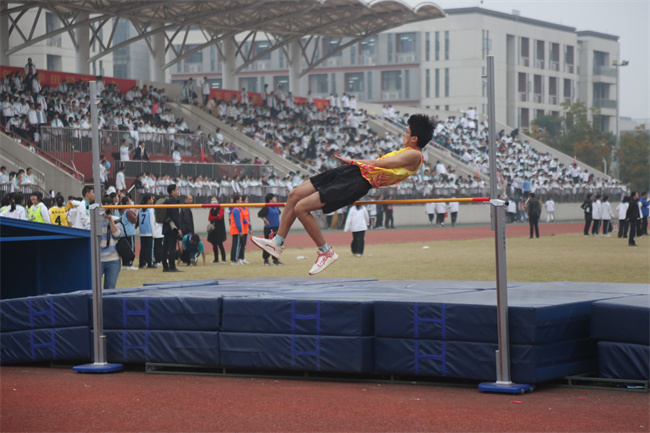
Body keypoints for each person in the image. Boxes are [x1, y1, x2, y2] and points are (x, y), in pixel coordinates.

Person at [252, 114, 435, 275]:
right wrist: (353, 165)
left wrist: (353, 160)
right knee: (294, 195)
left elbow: (379, 164)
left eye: (406, 131)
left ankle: (325, 252)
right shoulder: (408, 151)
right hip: (354, 172)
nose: (403, 133)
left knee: (301, 208)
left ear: (414, 138)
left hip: (358, 181)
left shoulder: (415, 155)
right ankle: (277, 243)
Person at [100, 196, 122, 289]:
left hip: (113, 258)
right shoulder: (93, 219)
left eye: (110, 208)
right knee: (94, 288)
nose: (109, 210)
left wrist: (110, 220)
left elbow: (117, 234)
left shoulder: (116, 219)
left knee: (110, 288)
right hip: (98, 259)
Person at [257, 193, 282, 266]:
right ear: (270, 200)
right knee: (268, 244)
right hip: (269, 228)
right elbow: (260, 214)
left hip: (276, 227)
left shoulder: (276, 206)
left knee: (276, 244)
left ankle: (275, 260)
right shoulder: (267, 207)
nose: (276, 199)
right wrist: (266, 221)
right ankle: (266, 260)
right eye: (274, 198)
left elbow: (279, 213)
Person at [162, 184, 182, 272]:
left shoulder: (167, 200)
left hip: (166, 226)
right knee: (172, 247)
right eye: (177, 190)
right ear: (173, 191)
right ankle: (172, 266)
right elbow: (175, 216)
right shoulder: (172, 201)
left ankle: (165, 266)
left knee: (165, 247)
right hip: (172, 227)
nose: (178, 191)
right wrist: (179, 228)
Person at [119, 196, 138, 270]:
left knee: (125, 249)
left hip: (123, 232)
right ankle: (129, 264)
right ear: (127, 202)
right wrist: (133, 212)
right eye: (130, 201)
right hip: (129, 233)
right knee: (130, 249)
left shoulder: (121, 211)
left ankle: (125, 263)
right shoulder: (128, 211)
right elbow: (134, 220)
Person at [207, 197, 227, 263]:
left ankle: (223, 259)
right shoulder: (211, 210)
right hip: (213, 229)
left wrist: (213, 218)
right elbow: (209, 218)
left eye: (214, 200)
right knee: (214, 244)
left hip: (219, 229)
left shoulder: (221, 209)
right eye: (212, 200)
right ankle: (216, 259)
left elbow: (219, 217)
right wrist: (215, 217)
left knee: (220, 244)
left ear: (218, 201)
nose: (213, 201)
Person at [138, 194, 156, 269]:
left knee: (143, 248)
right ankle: (150, 263)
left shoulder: (140, 209)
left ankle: (141, 263)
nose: (152, 200)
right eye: (151, 199)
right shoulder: (150, 210)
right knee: (150, 249)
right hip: (149, 231)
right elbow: (152, 222)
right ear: (148, 201)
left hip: (142, 231)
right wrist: (154, 233)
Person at [229, 193, 246, 265]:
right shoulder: (236, 210)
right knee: (236, 245)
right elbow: (237, 221)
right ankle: (235, 260)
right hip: (236, 230)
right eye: (240, 200)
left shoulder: (237, 209)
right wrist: (240, 230)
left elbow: (240, 220)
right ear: (237, 201)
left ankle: (234, 259)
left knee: (236, 245)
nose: (241, 202)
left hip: (236, 230)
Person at [238, 195, 251, 264]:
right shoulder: (239, 209)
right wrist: (245, 221)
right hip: (241, 229)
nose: (247, 201)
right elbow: (240, 219)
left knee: (244, 244)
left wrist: (250, 227)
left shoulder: (246, 208)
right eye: (246, 200)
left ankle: (242, 258)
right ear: (242, 201)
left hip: (246, 229)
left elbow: (249, 218)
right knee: (241, 243)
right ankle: (239, 258)